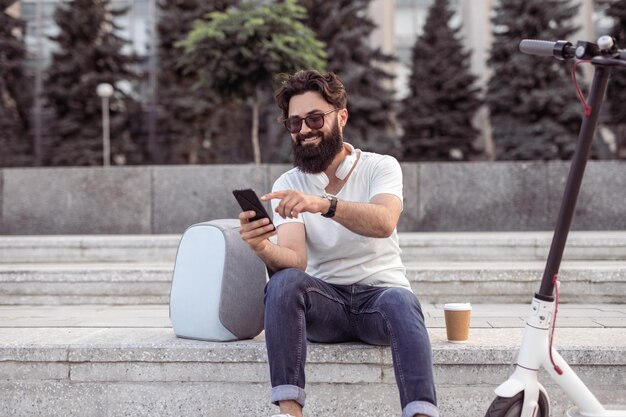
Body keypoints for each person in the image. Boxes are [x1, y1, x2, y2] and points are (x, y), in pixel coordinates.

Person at [238, 70, 438, 417]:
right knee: (282, 282)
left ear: (341, 117)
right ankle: (289, 412)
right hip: (326, 305)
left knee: (402, 301)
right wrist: (262, 248)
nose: (305, 130)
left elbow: (384, 222)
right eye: (295, 123)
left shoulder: (380, 167)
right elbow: (295, 261)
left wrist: (324, 204)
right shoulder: (288, 182)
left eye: (315, 118)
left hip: (381, 299)